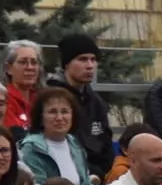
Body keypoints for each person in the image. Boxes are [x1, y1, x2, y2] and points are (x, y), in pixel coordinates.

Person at [19, 88, 95, 185]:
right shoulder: (31, 149)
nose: (59, 118)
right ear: (41, 117)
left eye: (65, 112)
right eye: (52, 112)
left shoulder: (75, 145)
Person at [45, 33, 114, 175]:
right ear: (67, 64)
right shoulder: (52, 98)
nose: (90, 66)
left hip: (100, 174)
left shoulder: (95, 101)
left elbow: (106, 142)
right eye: (82, 59)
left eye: (93, 60)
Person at [1, 40, 45, 134]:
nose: (30, 67)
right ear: (8, 69)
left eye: (34, 62)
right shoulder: (2, 100)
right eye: (22, 62)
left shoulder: (43, 99)